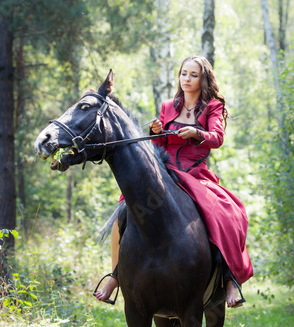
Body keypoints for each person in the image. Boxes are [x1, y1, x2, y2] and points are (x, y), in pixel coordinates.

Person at [94, 55, 254, 308]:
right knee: (123, 213)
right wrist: (156, 132)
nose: (187, 79)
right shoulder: (168, 106)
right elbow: (159, 148)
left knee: (229, 213)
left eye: (193, 74)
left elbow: (217, 138)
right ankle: (116, 275)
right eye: (184, 74)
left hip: (196, 174)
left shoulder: (212, 106)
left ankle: (229, 277)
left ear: (203, 79)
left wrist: (196, 133)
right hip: (166, 173)